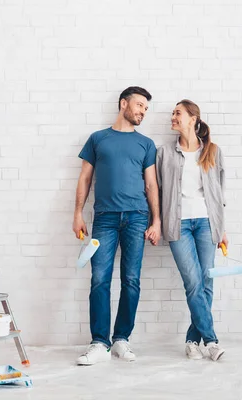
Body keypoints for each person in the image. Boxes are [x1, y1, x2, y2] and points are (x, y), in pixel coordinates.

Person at [73, 86, 161, 366]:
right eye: (139, 105)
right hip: (105, 219)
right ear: (123, 104)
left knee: (131, 280)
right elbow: (85, 178)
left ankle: (122, 339)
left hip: (137, 217)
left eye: (146, 108)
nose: (142, 112)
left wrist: (156, 221)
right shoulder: (98, 139)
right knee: (99, 279)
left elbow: (151, 184)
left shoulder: (146, 144)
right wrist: (77, 213)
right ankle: (99, 342)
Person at [156, 99, 227, 361]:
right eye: (173, 113)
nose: (172, 117)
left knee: (206, 282)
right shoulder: (163, 152)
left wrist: (222, 229)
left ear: (193, 119)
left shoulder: (213, 151)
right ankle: (211, 340)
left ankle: (191, 341)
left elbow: (219, 192)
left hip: (207, 223)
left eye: (178, 113)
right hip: (179, 225)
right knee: (193, 282)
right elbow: (159, 189)